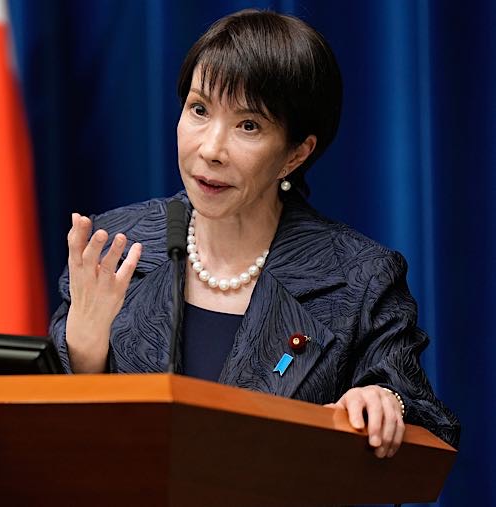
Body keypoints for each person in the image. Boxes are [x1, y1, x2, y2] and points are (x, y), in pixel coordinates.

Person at [49, 9, 460, 458]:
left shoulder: (359, 277)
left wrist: (387, 401)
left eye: (249, 125)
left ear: (296, 154)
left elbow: (428, 422)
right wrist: (85, 354)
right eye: (199, 110)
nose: (210, 149)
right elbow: (47, 442)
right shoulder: (117, 246)